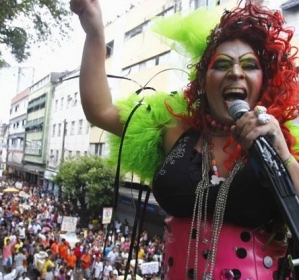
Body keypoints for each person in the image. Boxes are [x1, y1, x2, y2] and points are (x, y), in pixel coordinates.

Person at [70, 0, 299, 279]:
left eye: (249, 65)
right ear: (203, 80)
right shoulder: (175, 127)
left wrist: (283, 155)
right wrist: (94, 31)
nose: (236, 72)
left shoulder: (282, 139)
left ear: (264, 80)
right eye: (222, 64)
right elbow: (101, 111)